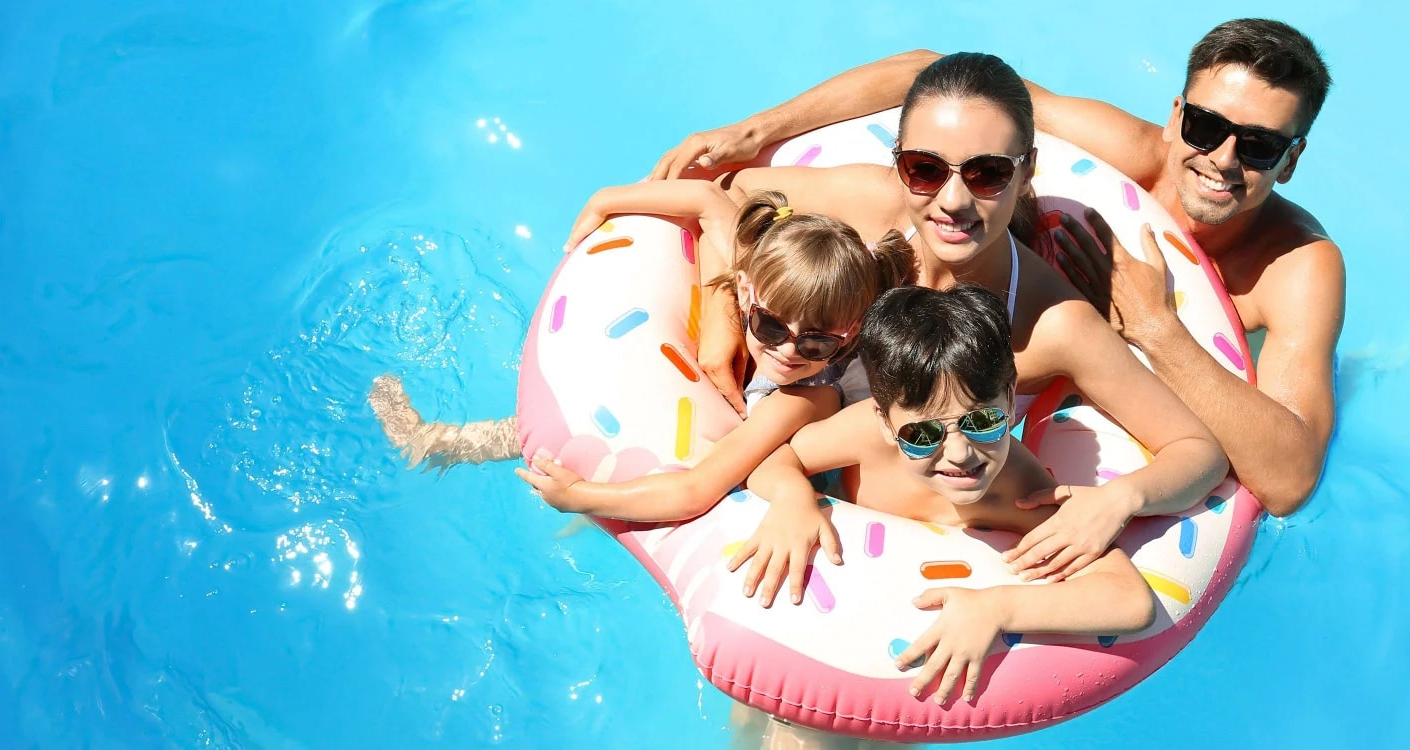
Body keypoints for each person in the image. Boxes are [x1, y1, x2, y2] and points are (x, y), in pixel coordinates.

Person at [651, 19, 1343, 517]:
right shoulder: (1112, 155)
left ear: (1293, 156)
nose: (1221, 159)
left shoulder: (1295, 266)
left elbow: (1285, 480)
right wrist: (757, 132)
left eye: (1256, 145)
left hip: (1093, 364)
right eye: (1204, 128)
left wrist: (1157, 327)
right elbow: (935, 76)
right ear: (1176, 116)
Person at [653, 52, 1228, 589]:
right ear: (899, 163)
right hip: (787, 474)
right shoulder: (872, 209)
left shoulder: (1049, 324)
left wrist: (1118, 500)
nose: (952, 200)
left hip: (909, 532)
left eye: (986, 175)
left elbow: (1197, 452)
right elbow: (738, 191)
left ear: (1027, 173)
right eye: (925, 169)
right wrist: (724, 330)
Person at [733, 285, 1160, 747]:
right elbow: (772, 460)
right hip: (832, 618)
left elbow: (1129, 601)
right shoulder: (867, 437)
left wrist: (998, 608)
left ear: (1011, 400)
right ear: (884, 420)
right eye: (921, 433)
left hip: (898, 667)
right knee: (760, 723)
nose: (959, 454)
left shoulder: (1018, 489)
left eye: (983, 422)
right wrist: (793, 498)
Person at [372, 182, 911, 527]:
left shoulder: (807, 395)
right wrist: (606, 200)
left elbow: (698, 489)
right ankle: (440, 442)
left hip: (780, 459)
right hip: (710, 388)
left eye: (816, 341)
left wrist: (582, 497)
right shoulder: (764, 278)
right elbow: (710, 204)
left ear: (852, 332)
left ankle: (443, 444)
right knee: (582, 412)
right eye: (769, 326)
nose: (789, 350)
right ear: (746, 293)